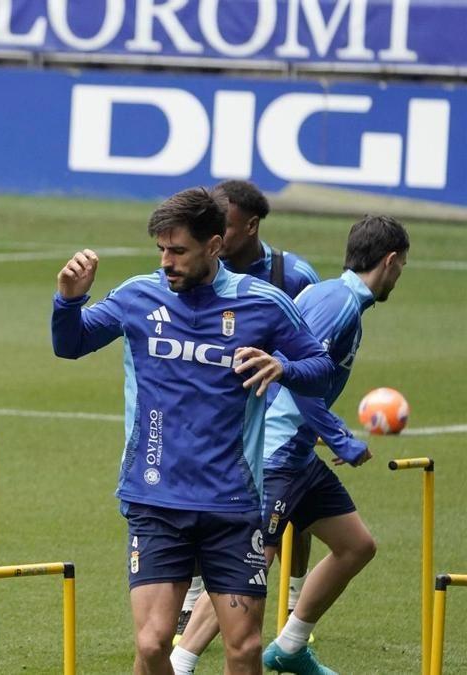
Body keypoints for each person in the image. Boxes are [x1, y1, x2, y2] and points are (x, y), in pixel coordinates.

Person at [51, 187, 334, 674]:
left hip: (232, 503)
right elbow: (70, 344)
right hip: (155, 496)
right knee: (153, 643)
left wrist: (282, 365)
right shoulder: (139, 296)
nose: (166, 261)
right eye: (161, 249)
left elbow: (321, 365)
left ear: (215, 246)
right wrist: (67, 301)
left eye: (178, 250)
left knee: (243, 649)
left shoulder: (263, 303)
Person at [172, 216, 408, 675]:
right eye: (401, 267)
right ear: (391, 260)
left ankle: (291, 646)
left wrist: (321, 432)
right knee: (252, 558)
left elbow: (305, 376)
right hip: (275, 453)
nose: (399, 275)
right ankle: (181, 661)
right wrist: (341, 437)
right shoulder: (338, 302)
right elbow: (294, 374)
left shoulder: (337, 298)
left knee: (356, 545)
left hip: (298, 453)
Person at [175, 179, 321, 638]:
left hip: (281, 418)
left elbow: (316, 353)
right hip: (219, 416)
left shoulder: (294, 277)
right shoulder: (198, 270)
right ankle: (196, 599)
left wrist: (315, 416)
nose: (216, 233)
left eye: (226, 226)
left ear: (251, 226)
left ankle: (294, 598)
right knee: (202, 499)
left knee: (298, 507)